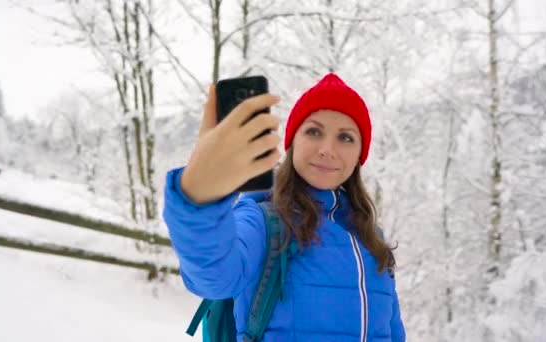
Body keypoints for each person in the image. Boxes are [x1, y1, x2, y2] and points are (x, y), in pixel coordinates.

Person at [163, 73, 406, 341]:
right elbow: (213, 277)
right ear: (292, 142)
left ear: (360, 153)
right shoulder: (263, 220)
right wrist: (200, 196)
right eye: (314, 131)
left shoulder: (372, 239)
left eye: (345, 137)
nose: (327, 149)